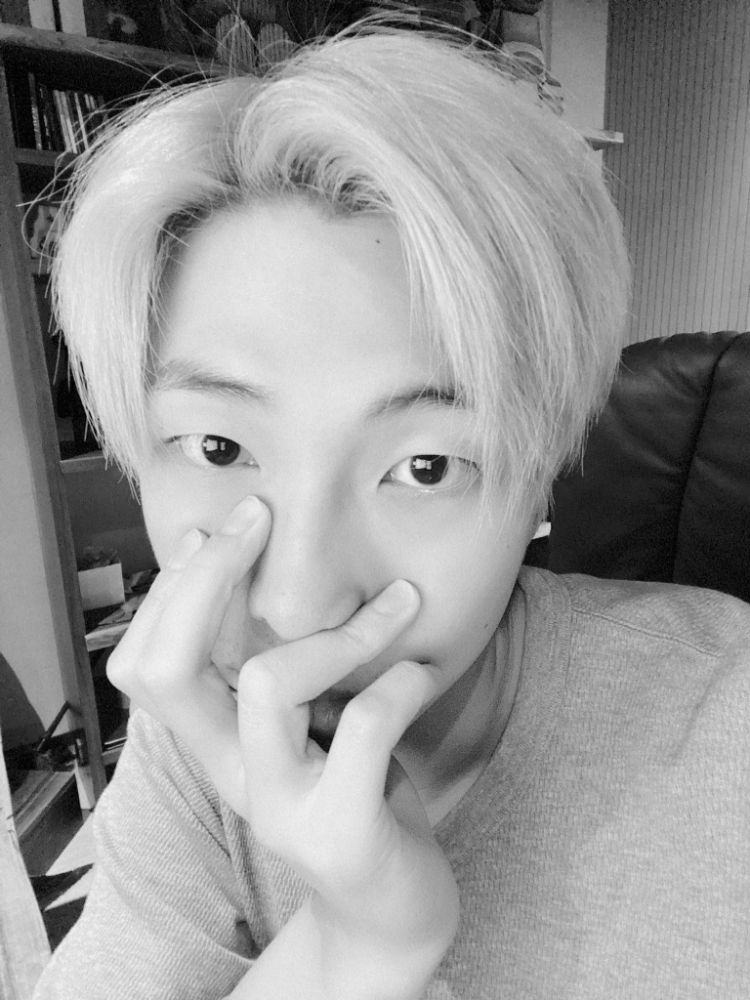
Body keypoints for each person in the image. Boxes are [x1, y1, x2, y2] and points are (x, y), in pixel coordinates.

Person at [35, 24, 749, 1000]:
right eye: (218, 448)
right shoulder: (198, 732)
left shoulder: (727, 724)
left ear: (543, 475)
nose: (296, 605)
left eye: (424, 465)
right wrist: (360, 948)